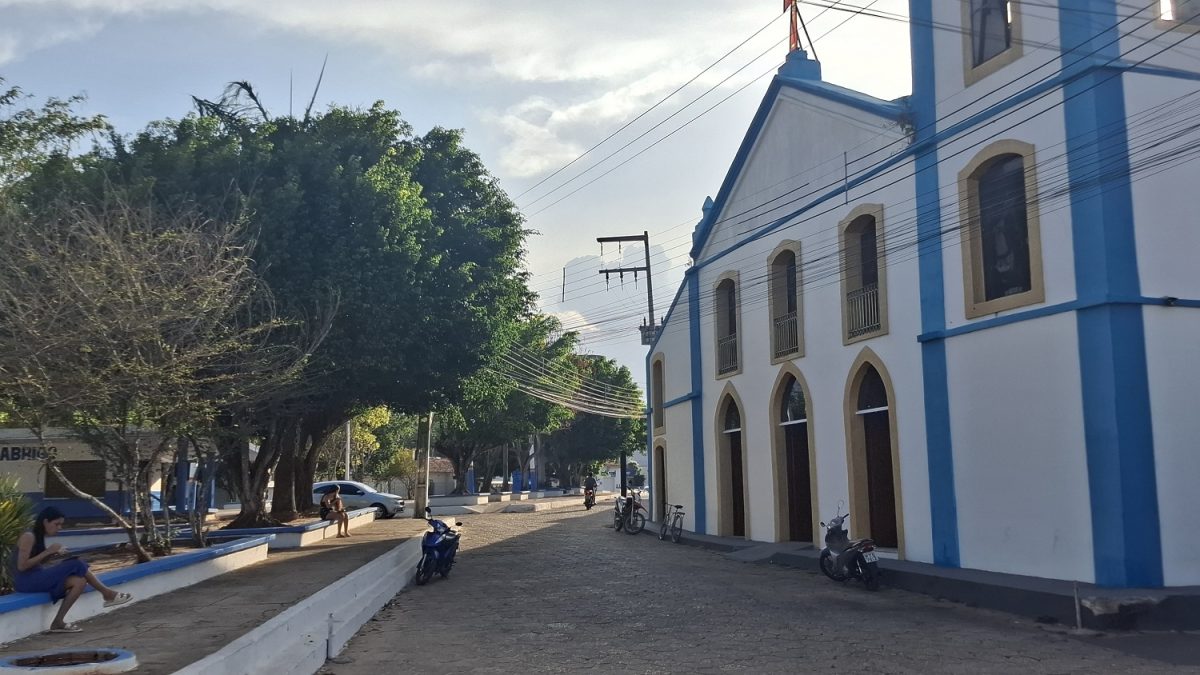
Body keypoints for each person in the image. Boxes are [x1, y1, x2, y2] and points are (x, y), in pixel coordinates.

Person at [14, 506, 132, 633]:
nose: (59, 528)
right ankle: (107, 593)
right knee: (76, 563)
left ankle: (58, 622)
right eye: (56, 524)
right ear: (45, 521)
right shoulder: (28, 536)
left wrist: (52, 554)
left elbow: (38, 562)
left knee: (79, 581)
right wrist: (48, 551)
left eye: (61, 525)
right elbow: (22, 566)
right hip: (26, 582)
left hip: (37, 577)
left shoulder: (39, 537)